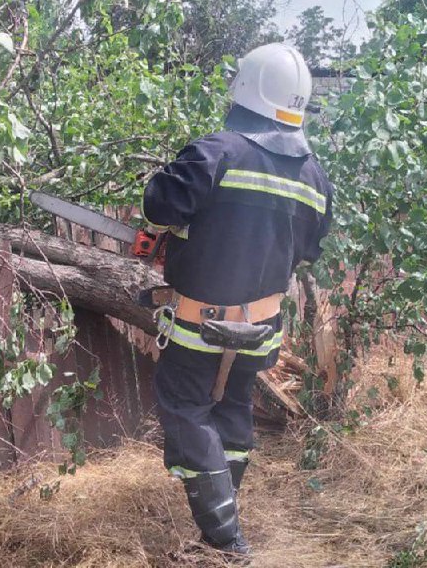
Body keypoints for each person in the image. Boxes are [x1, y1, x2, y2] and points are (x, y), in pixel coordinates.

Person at [141, 43, 334, 557]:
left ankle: (227, 543)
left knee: (185, 409)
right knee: (231, 412)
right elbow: (309, 249)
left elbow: (158, 204)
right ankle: (217, 538)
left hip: (199, 325)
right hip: (262, 327)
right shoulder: (316, 177)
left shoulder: (216, 150)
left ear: (245, 88)